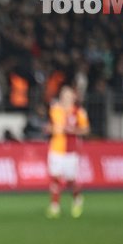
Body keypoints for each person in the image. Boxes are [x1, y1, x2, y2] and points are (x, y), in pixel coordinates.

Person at [46, 85, 90, 219]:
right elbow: (48, 127)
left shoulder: (79, 112)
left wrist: (72, 130)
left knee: (70, 180)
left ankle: (77, 198)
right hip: (56, 148)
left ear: (73, 97)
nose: (66, 98)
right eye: (64, 95)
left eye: (68, 95)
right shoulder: (55, 110)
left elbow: (86, 130)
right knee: (55, 178)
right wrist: (52, 129)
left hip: (71, 151)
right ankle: (55, 206)